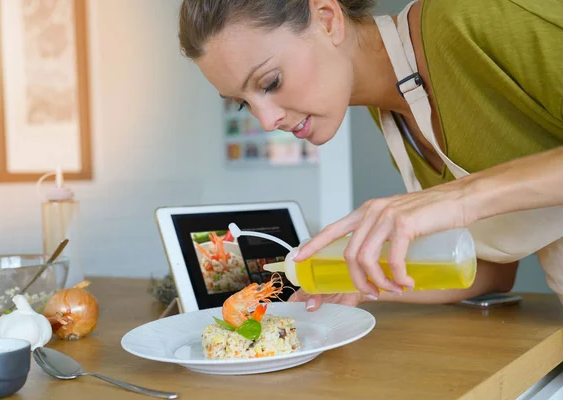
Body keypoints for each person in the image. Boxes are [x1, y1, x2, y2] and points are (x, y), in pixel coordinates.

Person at [177, 0, 563, 310]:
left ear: (327, 19)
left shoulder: (470, 14)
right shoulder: (394, 118)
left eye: (270, 82)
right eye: (244, 104)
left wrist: (457, 198)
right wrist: (358, 283)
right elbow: (491, 271)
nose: (266, 119)